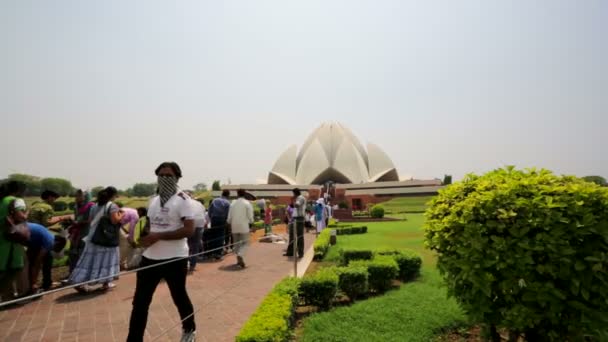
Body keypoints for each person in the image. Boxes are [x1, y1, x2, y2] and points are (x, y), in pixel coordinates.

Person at [127, 162, 196, 342]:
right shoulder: (154, 200)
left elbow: (189, 230)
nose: (164, 179)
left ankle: (189, 329)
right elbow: (149, 225)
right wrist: (140, 236)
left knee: (179, 296)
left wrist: (158, 236)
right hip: (150, 257)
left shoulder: (183, 200)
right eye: (161, 175)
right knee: (140, 302)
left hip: (174, 258)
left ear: (177, 178)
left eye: (169, 176)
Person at [69, 187, 123, 292]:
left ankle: (80, 281)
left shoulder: (94, 206)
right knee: (107, 260)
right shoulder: (112, 206)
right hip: (107, 238)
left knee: (89, 260)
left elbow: (90, 220)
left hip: (93, 237)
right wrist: (121, 214)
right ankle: (105, 283)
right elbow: (115, 221)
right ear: (112, 196)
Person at [0, 181, 28, 301]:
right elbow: (21, 217)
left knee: (4, 268)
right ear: (18, 190)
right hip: (13, 238)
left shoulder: (1, 200)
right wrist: (27, 213)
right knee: (20, 267)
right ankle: (23, 295)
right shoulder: (15, 200)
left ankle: (7, 297)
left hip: (2, 239)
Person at [25, 223, 67, 294]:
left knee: (47, 257)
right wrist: (34, 283)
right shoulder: (49, 242)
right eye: (59, 247)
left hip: (23, 230)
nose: (55, 250)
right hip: (18, 231)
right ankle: (30, 286)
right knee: (31, 263)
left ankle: (44, 284)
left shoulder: (48, 237)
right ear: (57, 242)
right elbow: (37, 263)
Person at [67, 190, 94, 274]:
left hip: (86, 232)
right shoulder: (76, 206)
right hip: (76, 233)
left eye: (79, 196)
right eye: (76, 195)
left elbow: (91, 220)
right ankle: (72, 273)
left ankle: (83, 274)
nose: (77, 198)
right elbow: (77, 218)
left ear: (85, 197)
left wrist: (78, 222)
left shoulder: (91, 206)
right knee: (73, 253)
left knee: (83, 253)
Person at [226, 189, 253, 268]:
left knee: (237, 244)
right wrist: (251, 222)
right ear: (244, 194)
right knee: (246, 243)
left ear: (237, 194)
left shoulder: (233, 203)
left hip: (234, 226)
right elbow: (250, 216)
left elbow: (229, 216)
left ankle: (238, 260)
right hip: (244, 226)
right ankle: (240, 255)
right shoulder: (247, 203)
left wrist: (229, 222)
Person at [207, 190, 231, 260]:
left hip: (214, 219)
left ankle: (212, 252)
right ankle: (218, 253)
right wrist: (226, 221)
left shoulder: (215, 200)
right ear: (228, 195)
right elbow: (228, 214)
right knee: (220, 236)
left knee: (213, 235)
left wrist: (211, 218)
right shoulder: (227, 202)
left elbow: (209, 210)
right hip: (222, 220)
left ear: (222, 194)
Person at [284, 188, 305, 258]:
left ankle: (300, 253)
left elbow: (297, 205)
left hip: (299, 219)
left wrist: (293, 200)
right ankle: (290, 252)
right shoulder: (298, 198)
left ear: (295, 193)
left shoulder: (300, 198)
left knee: (299, 236)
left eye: (293, 194)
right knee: (292, 235)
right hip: (295, 219)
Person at [117, 205, 139, 270]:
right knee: (125, 243)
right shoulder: (136, 215)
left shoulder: (130, 210)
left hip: (114, 224)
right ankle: (120, 264)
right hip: (115, 225)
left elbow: (122, 223)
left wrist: (127, 234)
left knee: (120, 244)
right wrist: (131, 241)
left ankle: (121, 263)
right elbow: (131, 228)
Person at [188, 198, 206, 273]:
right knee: (195, 246)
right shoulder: (199, 204)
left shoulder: (185, 203)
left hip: (189, 225)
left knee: (186, 245)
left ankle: (187, 262)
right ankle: (192, 265)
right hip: (199, 226)